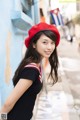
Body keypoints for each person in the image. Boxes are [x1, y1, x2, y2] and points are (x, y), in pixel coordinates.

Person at [0, 22, 60, 120]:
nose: (49, 47)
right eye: (45, 42)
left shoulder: (34, 63)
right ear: (34, 44)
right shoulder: (32, 69)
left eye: (52, 43)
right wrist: (2, 118)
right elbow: (7, 104)